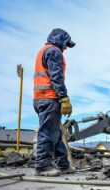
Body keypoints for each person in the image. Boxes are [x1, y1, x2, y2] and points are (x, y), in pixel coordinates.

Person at [33, 28, 76, 176]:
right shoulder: (54, 52)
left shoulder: (43, 51)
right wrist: (64, 98)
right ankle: (42, 166)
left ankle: (63, 165)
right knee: (47, 133)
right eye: (65, 44)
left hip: (41, 98)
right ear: (59, 40)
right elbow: (56, 77)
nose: (65, 48)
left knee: (55, 134)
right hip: (49, 98)